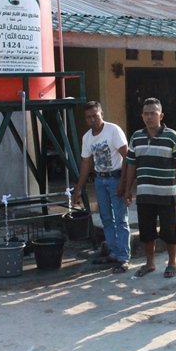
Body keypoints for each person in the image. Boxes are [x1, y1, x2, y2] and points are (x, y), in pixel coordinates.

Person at [123, 98, 176, 279]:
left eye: (153, 113)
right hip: (144, 193)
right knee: (147, 230)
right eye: (146, 114)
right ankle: (150, 263)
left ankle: (172, 263)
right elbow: (131, 165)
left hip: (166, 193)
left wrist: (164, 175)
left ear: (161, 115)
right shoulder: (136, 137)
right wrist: (128, 189)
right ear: (142, 116)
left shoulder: (172, 137)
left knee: (169, 230)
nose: (149, 117)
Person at [73, 101, 130, 274]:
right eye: (89, 117)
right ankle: (113, 253)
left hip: (116, 177)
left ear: (101, 114)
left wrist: (124, 184)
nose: (92, 120)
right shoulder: (87, 137)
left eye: (95, 116)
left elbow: (127, 157)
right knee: (105, 218)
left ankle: (123, 257)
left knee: (120, 219)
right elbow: (85, 163)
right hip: (100, 180)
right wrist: (78, 189)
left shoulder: (113, 130)